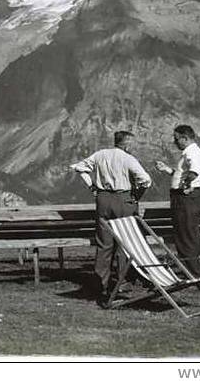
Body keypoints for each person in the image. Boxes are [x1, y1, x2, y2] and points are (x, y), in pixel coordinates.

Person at [71, 130, 152, 307]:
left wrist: (92, 186)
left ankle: (100, 283)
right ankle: (122, 283)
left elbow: (79, 167)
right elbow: (146, 180)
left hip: (103, 199)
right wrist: (136, 196)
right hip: (123, 199)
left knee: (104, 243)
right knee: (125, 241)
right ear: (127, 144)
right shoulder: (128, 158)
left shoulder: (100, 154)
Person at [155, 124, 200, 276]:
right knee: (187, 231)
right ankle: (193, 268)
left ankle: (193, 271)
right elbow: (183, 173)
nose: (175, 142)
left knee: (186, 233)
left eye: (177, 139)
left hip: (185, 197)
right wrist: (167, 169)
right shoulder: (189, 153)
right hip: (186, 196)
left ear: (185, 138)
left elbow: (193, 172)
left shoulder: (192, 153)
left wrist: (187, 185)